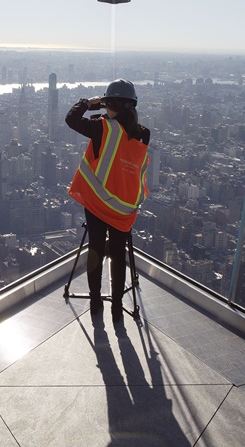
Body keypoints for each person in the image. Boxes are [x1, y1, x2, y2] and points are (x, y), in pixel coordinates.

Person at [66, 79, 151, 321]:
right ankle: (116, 306)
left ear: (108, 103)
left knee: (96, 250)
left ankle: (95, 301)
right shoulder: (144, 134)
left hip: (97, 204)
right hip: (125, 208)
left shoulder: (102, 128)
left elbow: (71, 119)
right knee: (117, 254)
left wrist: (90, 103)